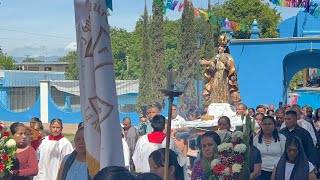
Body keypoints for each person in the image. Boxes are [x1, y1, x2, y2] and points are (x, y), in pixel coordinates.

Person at [199, 33, 241, 105]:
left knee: (224, 89)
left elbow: (231, 67)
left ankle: (225, 102)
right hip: (216, 76)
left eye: (222, 46)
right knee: (215, 89)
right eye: (219, 46)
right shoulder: (216, 56)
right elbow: (212, 66)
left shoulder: (228, 56)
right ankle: (215, 102)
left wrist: (223, 59)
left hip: (224, 76)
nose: (219, 48)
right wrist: (207, 63)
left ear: (225, 48)